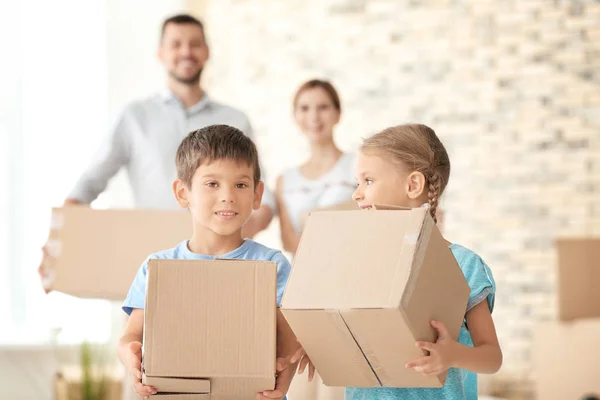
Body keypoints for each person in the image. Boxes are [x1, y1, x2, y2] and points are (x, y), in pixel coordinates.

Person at [38, 14, 274, 282]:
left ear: (207, 52)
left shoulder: (235, 120)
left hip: (221, 268)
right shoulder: (134, 117)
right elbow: (89, 185)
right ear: (161, 53)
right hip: (152, 266)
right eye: (176, 44)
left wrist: (232, 231)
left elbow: (262, 195)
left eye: (195, 44)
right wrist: (57, 244)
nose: (186, 51)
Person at [285, 124, 503, 400]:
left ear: (413, 185)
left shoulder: (463, 264)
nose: (357, 194)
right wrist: (325, 345)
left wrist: (453, 355)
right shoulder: (357, 262)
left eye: (368, 181)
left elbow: (491, 357)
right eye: (357, 183)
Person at [117, 125, 297, 400]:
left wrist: (283, 377)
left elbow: (289, 339)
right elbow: (131, 336)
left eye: (240, 184)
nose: (227, 195)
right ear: (182, 192)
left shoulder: (271, 264)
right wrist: (130, 357)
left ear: (257, 194)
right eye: (212, 184)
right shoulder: (158, 267)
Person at [276, 79, 355, 255]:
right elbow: (290, 243)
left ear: (338, 113)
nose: (314, 117)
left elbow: (375, 213)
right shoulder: (285, 180)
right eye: (304, 108)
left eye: (323, 107)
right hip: (305, 277)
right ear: (295, 116)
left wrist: (314, 217)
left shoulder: (359, 165)